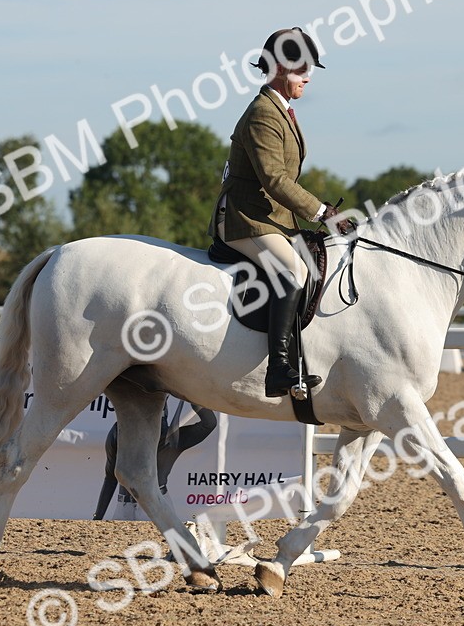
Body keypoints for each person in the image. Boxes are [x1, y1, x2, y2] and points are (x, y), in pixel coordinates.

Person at [211, 27, 354, 397]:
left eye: (309, 68)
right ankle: (279, 369)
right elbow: (275, 179)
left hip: (271, 218)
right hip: (246, 219)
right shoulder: (263, 113)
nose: (307, 75)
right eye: (300, 68)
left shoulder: (282, 110)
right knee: (293, 270)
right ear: (277, 68)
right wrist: (323, 212)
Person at [93, 401, 218, 521]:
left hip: (154, 505)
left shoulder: (171, 437)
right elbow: (111, 476)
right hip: (126, 506)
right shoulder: (118, 431)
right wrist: (97, 517)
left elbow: (209, 424)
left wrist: (191, 394)